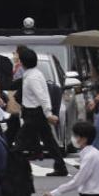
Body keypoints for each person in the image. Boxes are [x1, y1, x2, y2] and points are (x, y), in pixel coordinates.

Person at [15, 47, 67, 176]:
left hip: (34, 113)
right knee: (49, 141)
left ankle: (12, 167)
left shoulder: (32, 78)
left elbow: (42, 96)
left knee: (20, 140)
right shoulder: (35, 74)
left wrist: (48, 114)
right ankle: (60, 166)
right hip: (34, 113)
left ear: (22, 62)